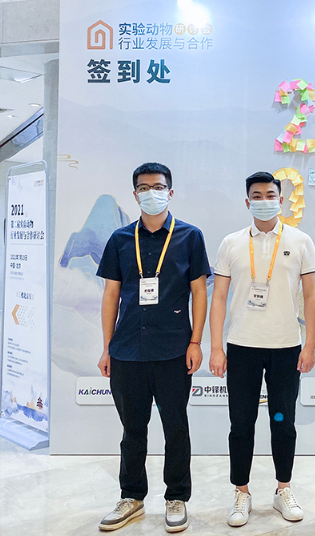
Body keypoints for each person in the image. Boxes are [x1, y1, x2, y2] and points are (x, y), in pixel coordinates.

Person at [96, 162, 210, 533]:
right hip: (127, 349)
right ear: (135, 195)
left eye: (158, 187)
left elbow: (199, 292)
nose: (151, 193)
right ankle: (132, 497)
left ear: (170, 192)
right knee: (132, 430)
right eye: (144, 188)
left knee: (176, 428)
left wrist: (196, 341)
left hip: (174, 349)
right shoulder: (119, 239)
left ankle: (176, 497)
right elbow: (111, 294)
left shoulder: (190, 237)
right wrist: (106, 347)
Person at [208, 172, 315, 528]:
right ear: (247, 202)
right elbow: (218, 297)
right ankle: (241, 492)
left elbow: (311, 297)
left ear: (281, 200)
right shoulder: (231, 243)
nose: (264, 201)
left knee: (283, 423)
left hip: (286, 347)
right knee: (241, 423)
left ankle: (283, 489)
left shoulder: (300, 241)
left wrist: (310, 345)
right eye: (257, 196)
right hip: (242, 346)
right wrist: (216, 347)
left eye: (271, 195)